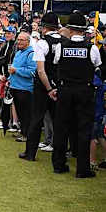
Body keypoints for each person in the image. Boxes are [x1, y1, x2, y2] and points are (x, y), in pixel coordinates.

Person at [51, 12, 102, 178]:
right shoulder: (92, 48)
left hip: (65, 91)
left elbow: (57, 63)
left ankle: (59, 164)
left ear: (70, 29)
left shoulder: (61, 46)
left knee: (61, 127)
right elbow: (97, 65)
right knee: (83, 129)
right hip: (84, 91)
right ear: (83, 30)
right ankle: (82, 169)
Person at [21, 12, 61, 161]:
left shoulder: (42, 43)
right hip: (60, 85)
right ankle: (60, 155)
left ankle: (30, 153)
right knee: (59, 121)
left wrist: (49, 88)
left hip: (44, 86)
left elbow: (40, 70)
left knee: (36, 119)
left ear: (44, 28)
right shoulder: (65, 42)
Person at [8, 32, 36, 142]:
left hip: (25, 88)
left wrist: (17, 71)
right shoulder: (18, 52)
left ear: (28, 41)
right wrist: (10, 79)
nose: (18, 42)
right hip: (15, 86)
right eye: (18, 39)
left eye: (22, 40)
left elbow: (32, 72)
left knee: (26, 113)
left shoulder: (31, 53)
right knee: (20, 112)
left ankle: (27, 134)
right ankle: (23, 132)